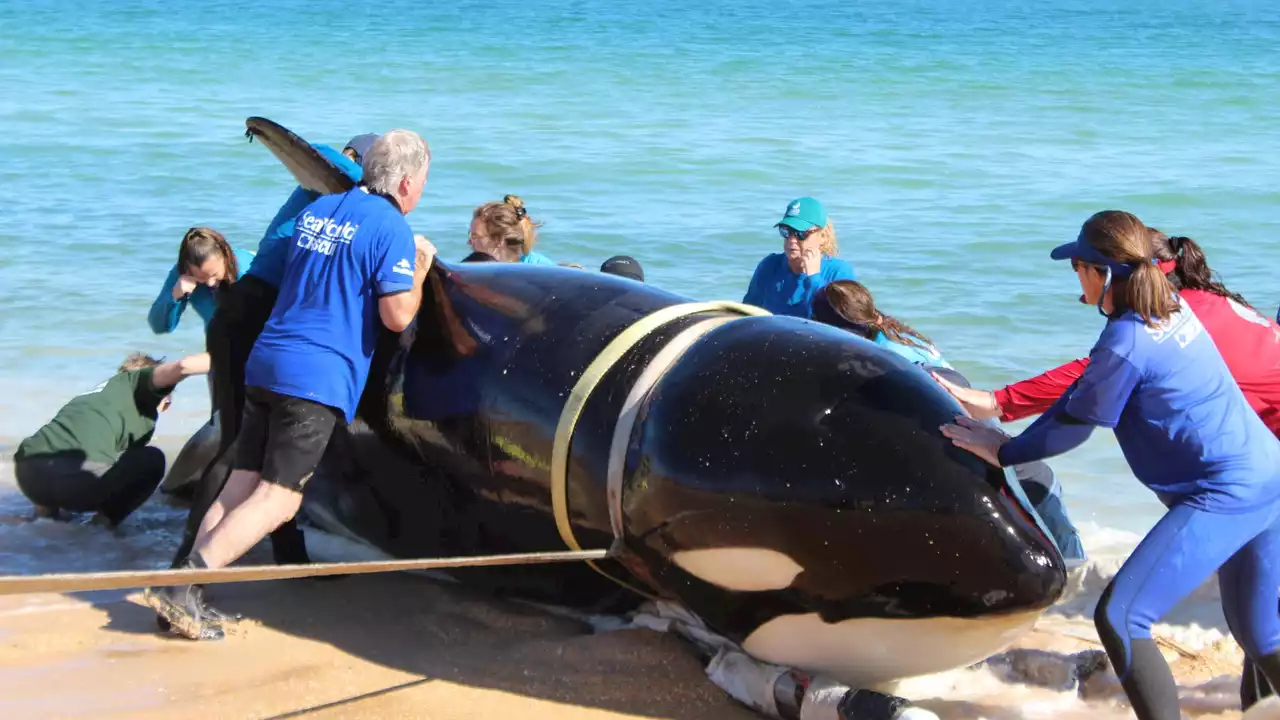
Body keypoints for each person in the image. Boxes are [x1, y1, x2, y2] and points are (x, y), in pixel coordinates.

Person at [939, 210, 1280, 720]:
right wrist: (1003, 414)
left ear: (1103, 273)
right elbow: (1087, 392)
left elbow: (1075, 424)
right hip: (1268, 476)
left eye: (1078, 266)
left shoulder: (1129, 339)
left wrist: (1002, 450)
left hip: (1225, 492)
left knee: (1122, 616)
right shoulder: (1171, 310)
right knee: (1261, 632)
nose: (1075, 276)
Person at [145, 129, 436, 641]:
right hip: (316, 377)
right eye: (424, 184)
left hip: (267, 361)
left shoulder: (318, 212)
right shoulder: (390, 226)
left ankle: (180, 585)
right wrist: (418, 271)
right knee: (280, 499)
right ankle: (183, 588)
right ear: (408, 182)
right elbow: (395, 316)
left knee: (241, 485)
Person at [174, 135, 374, 569]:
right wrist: (357, 170)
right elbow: (316, 148)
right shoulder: (317, 188)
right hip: (245, 314)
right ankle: (182, 565)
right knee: (234, 449)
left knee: (260, 452)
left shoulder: (338, 210)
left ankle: (289, 557)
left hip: (253, 320)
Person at [809, 281, 1086, 566]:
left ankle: (1069, 566)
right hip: (980, 429)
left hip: (975, 436)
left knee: (1024, 501)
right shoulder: (892, 334)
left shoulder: (888, 360)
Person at [13, 352, 209, 528]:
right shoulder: (138, 385)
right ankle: (101, 526)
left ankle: (46, 518)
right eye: (167, 402)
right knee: (152, 459)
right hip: (73, 484)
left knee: (66, 449)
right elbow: (184, 365)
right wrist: (230, 353)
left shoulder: (95, 396)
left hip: (27, 474)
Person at [743, 197, 856, 318]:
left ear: (822, 236)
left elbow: (840, 327)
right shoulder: (769, 266)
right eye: (786, 231)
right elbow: (747, 314)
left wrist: (813, 279)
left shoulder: (838, 273)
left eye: (801, 234)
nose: (792, 240)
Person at [148, 228, 256, 335]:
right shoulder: (182, 274)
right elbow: (159, 327)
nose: (210, 283)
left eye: (214, 274)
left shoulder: (248, 270)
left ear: (226, 258)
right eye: (201, 278)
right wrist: (174, 296)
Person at [468, 195, 556, 265]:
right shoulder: (473, 269)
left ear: (498, 240)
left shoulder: (540, 269)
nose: (469, 242)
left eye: (475, 236)